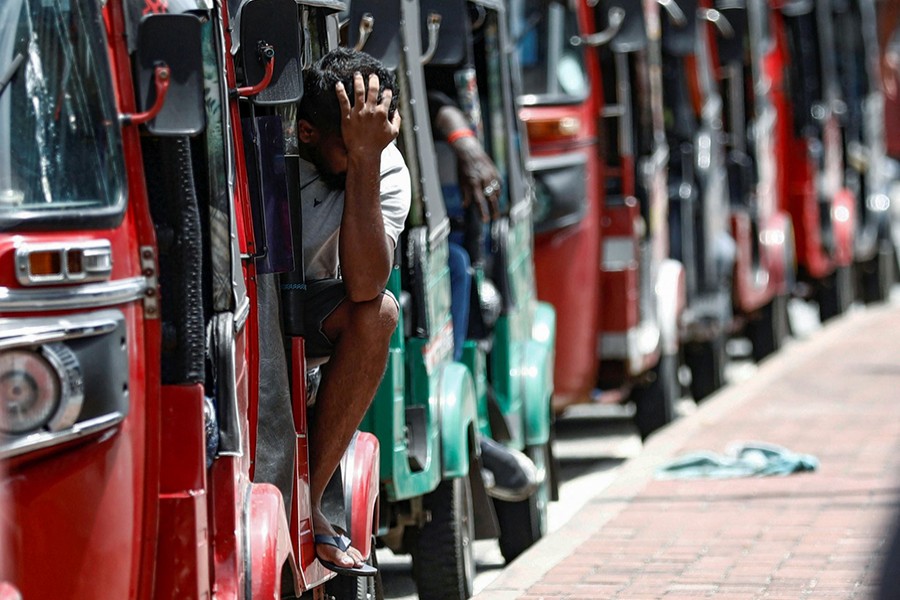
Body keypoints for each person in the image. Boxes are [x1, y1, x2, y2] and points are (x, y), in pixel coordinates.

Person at [288, 47, 409, 575]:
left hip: (317, 311)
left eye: (377, 136)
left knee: (380, 313)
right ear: (308, 134)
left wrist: (364, 158)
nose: (370, 148)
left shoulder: (382, 163)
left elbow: (364, 285)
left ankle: (307, 499)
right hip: (256, 304)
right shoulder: (279, 151)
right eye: (350, 141)